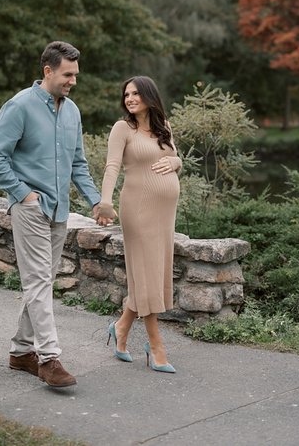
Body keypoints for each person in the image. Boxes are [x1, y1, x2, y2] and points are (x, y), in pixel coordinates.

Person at [0, 40, 107, 388]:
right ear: (48, 71)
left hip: (59, 210)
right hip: (30, 210)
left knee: (42, 282)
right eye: (68, 74)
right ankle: (49, 358)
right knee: (38, 281)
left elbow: (78, 164)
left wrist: (95, 201)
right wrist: (22, 194)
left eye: (76, 75)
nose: (73, 81)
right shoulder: (19, 106)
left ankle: (22, 351)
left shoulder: (72, 111)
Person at [97, 75, 181, 374]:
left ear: (149, 96)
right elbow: (112, 166)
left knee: (153, 272)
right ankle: (156, 345)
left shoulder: (163, 127)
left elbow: (174, 156)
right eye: (126, 94)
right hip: (138, 210)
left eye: (135, 93)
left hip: (164, 213)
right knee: (145, 273)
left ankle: (120, 329)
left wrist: (176, 163)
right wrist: (105, 201)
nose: (130, 98)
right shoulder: (123, 128)